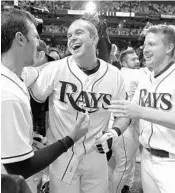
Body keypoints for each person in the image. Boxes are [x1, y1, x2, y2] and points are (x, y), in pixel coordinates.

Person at [28, 19, 130, 193]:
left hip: (96, 156)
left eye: (78, 33)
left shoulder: (115, 75)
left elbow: (125, 114)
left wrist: (113, 133)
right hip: (62, 154)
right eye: (68, 35)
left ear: (95, 38)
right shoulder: (56, 69)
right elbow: (34, 97)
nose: (72, 38)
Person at [1, 8, 89, 193]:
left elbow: (43, 70)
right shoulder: (7, 94)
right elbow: (20, 168)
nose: (39, 43)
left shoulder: (15, 73)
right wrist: (70, 138)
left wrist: (21, 136)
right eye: (35, 36)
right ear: (20, 39)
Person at [97, 24, 175, 193]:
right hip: (146, 157)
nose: (145, 49)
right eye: (145, 44)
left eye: (152, 44)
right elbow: (130, 112)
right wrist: (113, 132)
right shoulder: (146, 78)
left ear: (169, 47)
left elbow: (137, 111)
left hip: (171, 162)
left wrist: (141, 112)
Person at [110, 49, 142, 193]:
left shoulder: (118, 73)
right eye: (133, 59)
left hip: (119, 124)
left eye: (137, 58)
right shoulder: (134, 73)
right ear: (124, 63)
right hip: (125, 125)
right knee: (124, 166)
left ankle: (124, 187)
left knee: (119, 163)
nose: (137, 61)